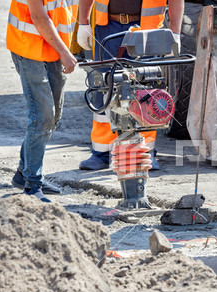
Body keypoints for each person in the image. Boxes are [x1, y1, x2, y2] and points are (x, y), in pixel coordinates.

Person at [77, 0, 184, 171]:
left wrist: (175, 33)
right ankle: (102, 152)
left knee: (147, 90)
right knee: (104, 88)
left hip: (148, 30)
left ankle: (145, 152)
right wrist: (83, 22)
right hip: (108, 27)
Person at [7, 0, 78, 202]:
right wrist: (65, 52)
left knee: (52, 116)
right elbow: (38, 17)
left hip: (54, 46)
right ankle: (32, 184)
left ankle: (24, 172)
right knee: (42, 117)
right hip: (29, 48)